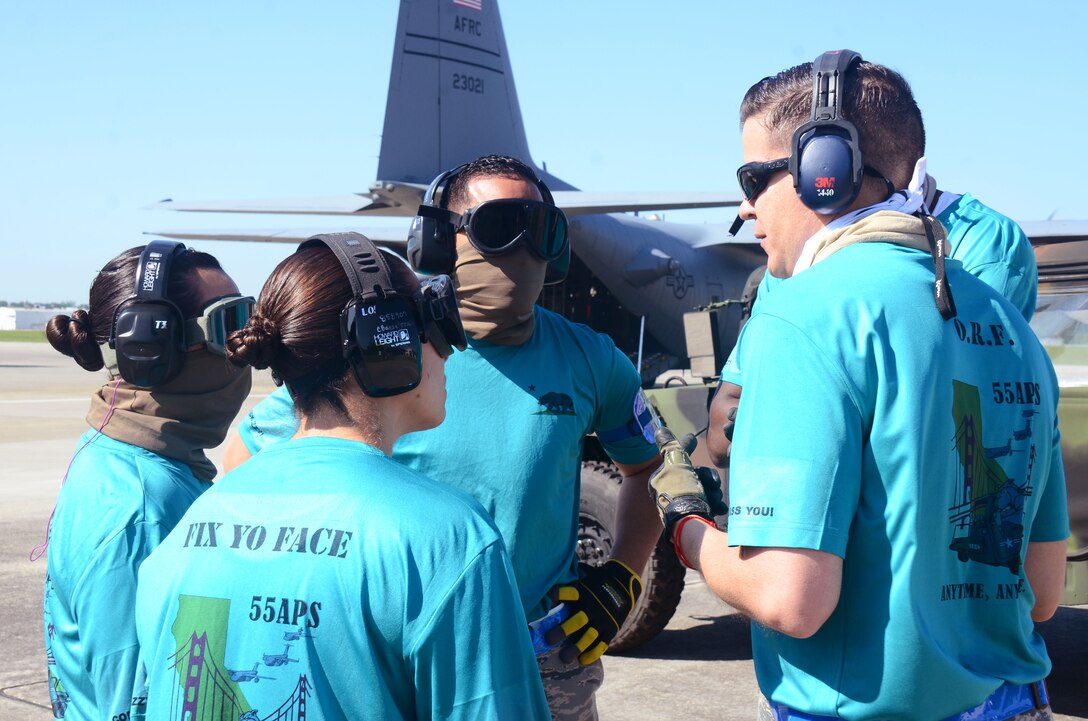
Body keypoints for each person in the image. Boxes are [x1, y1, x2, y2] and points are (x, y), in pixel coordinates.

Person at [649, 52, 1068, 720]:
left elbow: (793, 598)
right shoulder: (1012, 327)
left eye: (755, 178)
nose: (744, 206)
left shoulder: (801, 314)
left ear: (827, 171)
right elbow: (1043, 591)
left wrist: (685, 525)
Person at [223, 156, 663, 720]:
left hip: (545, 658)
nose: (523, 251)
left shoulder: (591, 358)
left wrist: (622, 577)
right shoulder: (383, 353)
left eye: (542, 231)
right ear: (437, 242)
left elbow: (645, 468)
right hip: (397, 651)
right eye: (501, 227)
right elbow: (247, 463)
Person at [130, 232, 550, 720]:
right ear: (385, 345)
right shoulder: (449, 541)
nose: (451, 351)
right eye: (435, 325)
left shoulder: (186, 528)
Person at [39, 241, 253, 720]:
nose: (247, 347)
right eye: (229, 325)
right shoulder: (140, 510)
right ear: (148, 350)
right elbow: (134, 708)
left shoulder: (119, 453)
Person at [710, 156, 1038, 468]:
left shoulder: (987, 242)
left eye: (759, 181)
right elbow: (721, 434)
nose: (746, 207)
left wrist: (775, 420)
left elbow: (944, 427)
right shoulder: (789, 264)